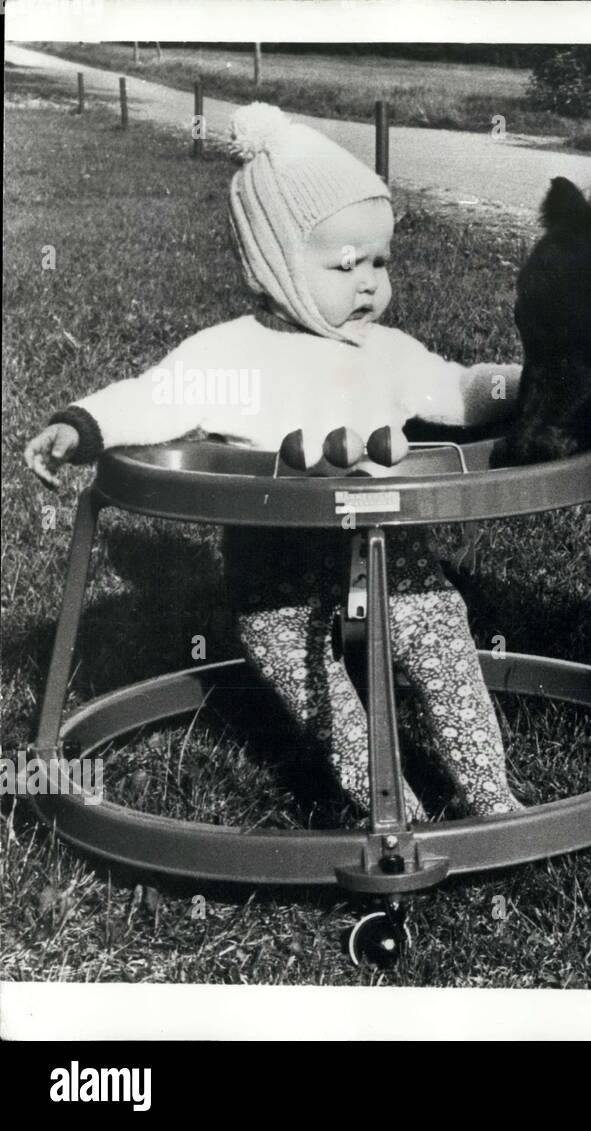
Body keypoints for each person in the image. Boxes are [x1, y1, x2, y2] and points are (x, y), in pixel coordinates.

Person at [24, 102, 526, 822]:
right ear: (277, 261)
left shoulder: (384, 349)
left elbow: (455, 389)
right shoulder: (231, 353)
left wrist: (521, 385)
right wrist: (82, 426)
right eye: (347, 264)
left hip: (387, 545)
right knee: (306, 672)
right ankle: (393, 808)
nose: (369, 285)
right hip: (274, 563)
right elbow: (153, 397)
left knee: (441, 633)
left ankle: (493, 795)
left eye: (381, 263)